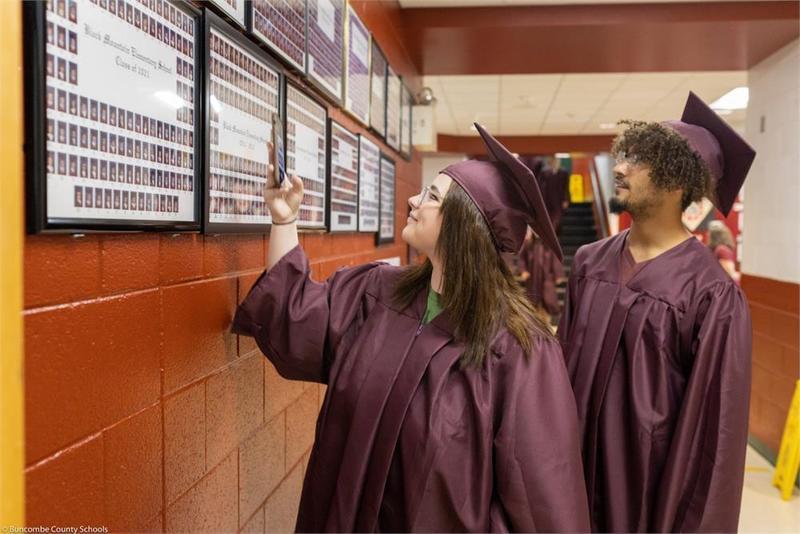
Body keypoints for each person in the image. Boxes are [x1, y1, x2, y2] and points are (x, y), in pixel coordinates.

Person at [232, 124, 590, 532]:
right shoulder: (377, 295)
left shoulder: (519, 350)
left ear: (466, 225)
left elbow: (542, 497)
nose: (413, 200)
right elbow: (294, 316)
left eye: (432, 196)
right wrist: (284, 220)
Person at [558, 92, 755, 532]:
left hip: (647, 493)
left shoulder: (711, 294)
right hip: (572, 477)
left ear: (676, 181)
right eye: (625, 155)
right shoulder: (590, 262)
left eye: (640, 161)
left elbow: (714, 434)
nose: (620, 168)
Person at [518, 227, 564, 323]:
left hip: (547, 277)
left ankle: (546, 323)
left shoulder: (550, 244)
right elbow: (522, 258)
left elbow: (556, 258)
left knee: (547, 300)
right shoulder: (528, 243)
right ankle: (535, 323)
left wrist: (558, 274)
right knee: (533, 300)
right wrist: (523, 271)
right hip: (533, 277)